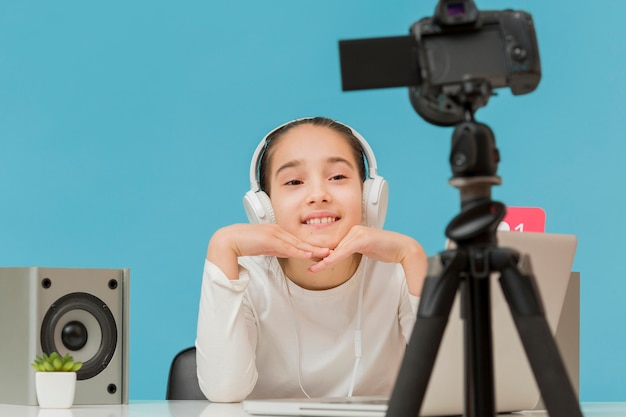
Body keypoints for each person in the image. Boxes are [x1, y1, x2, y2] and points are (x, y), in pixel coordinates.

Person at [195, 117, 428, 402]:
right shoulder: (248, 279)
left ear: (369, 196)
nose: (318, 195)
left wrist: (413, 255)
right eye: (294, 181)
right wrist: (222, 245)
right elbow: (224, 390)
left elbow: (454, 382)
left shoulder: (398, 270)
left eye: (338, 177)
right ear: (264, 209)